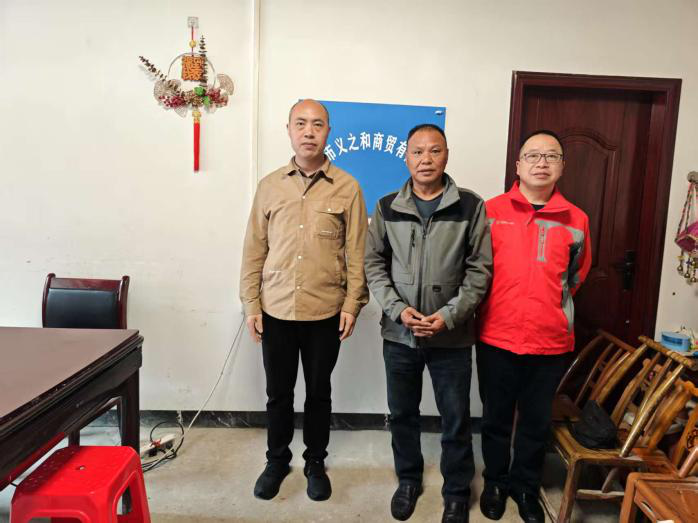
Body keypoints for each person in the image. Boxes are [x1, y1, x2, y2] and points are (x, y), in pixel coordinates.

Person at [240, 99, 369, 502]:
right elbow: (253, 249)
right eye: (301, 123)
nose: (309, 131)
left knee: (318, 393)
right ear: (289, 130)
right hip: (276, 309)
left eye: (317, 124)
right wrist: (251, 303)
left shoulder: (348, 187)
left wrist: (352, 304)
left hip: (325, 310)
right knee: (278, 393)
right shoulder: (270, 186)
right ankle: (277, 461)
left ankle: (315, 462)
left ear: (328, 131)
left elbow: (358, 253)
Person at [365, 124, 492, 523]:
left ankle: (456, 493)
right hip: (399, 334)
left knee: (455, 419)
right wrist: (398, 310)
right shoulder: (387, 207)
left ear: (446, 155)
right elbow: (374, 265)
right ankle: (408, 480)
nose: (425, 159)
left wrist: (448, 316)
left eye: (434, 151)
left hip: (451, 337)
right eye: (417, 152)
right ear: (406, 157)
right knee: (402, 414)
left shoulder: (470, 206)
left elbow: (480, 270)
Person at [476, 130, 592, 523]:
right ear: (518, 164)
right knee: (494, 418)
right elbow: (476, 270)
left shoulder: (576, 218)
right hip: (496, 334)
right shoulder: (491, 211)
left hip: (549, 339)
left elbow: (576, 276)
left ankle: (525, 487)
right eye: (533, 155)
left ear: (562, 165)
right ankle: (495, 482)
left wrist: (547, 304)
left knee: (535, 422)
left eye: (551, 156)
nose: (541, 163)